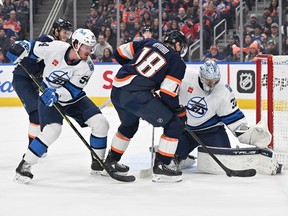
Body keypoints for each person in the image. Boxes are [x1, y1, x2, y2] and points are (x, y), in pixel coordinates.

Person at [6, 28, 126, 184]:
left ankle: (98, 164)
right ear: (76, 44)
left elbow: (73, 91)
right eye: (86, 47)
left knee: (101, 123)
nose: (89, 51)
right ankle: (24, 166)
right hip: (48, 99)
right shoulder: (56, 47)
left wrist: (56, 94)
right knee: (52, 131)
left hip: (72, 99)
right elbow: (33, 47)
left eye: (91, 47)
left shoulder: (87, 67)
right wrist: (20, 48)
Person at [104, 30, 188, 183]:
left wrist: (135, 71)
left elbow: (118, 53)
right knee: (174, 123)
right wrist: (179, 111)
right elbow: (168, 93)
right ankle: (162, 165)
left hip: (117, 90)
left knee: (129, 125)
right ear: (177, 44)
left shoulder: (149, 42)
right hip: (136, 95)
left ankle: (111, 160)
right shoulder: (177, 61)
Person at [172, 60, 273, 172]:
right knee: (170, 157)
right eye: (209, 81)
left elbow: (235, 120)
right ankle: (181, 155)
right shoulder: (185, 77)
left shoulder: (224, 91)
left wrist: (251, 136)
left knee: (225, 161)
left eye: (215, 81)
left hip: (211, 131)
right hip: (185, 130)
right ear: (201, 77)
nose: (212, 84)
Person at [10, 18, 72, 153]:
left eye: (68, 34)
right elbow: (30, 48)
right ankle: (33, 148)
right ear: (56, 31)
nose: (66, 36)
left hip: (36, 81)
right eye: (64, 32)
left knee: (43, 113)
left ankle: (37, 144)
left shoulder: (61, 47)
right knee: (35, 114)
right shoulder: (47, 40)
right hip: (23, 80)